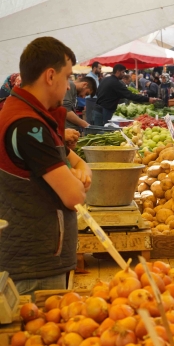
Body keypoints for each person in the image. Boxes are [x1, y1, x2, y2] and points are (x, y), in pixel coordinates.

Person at [0, 36, 92, 296]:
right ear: (51, 76)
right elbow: (74, 196)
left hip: (33, 260)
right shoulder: (28, 126)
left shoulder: (26, 114)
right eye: (67, 76)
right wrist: (76, 179)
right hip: (33, 268)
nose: (68, 86)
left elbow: (70, 162)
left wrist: (78, 168)